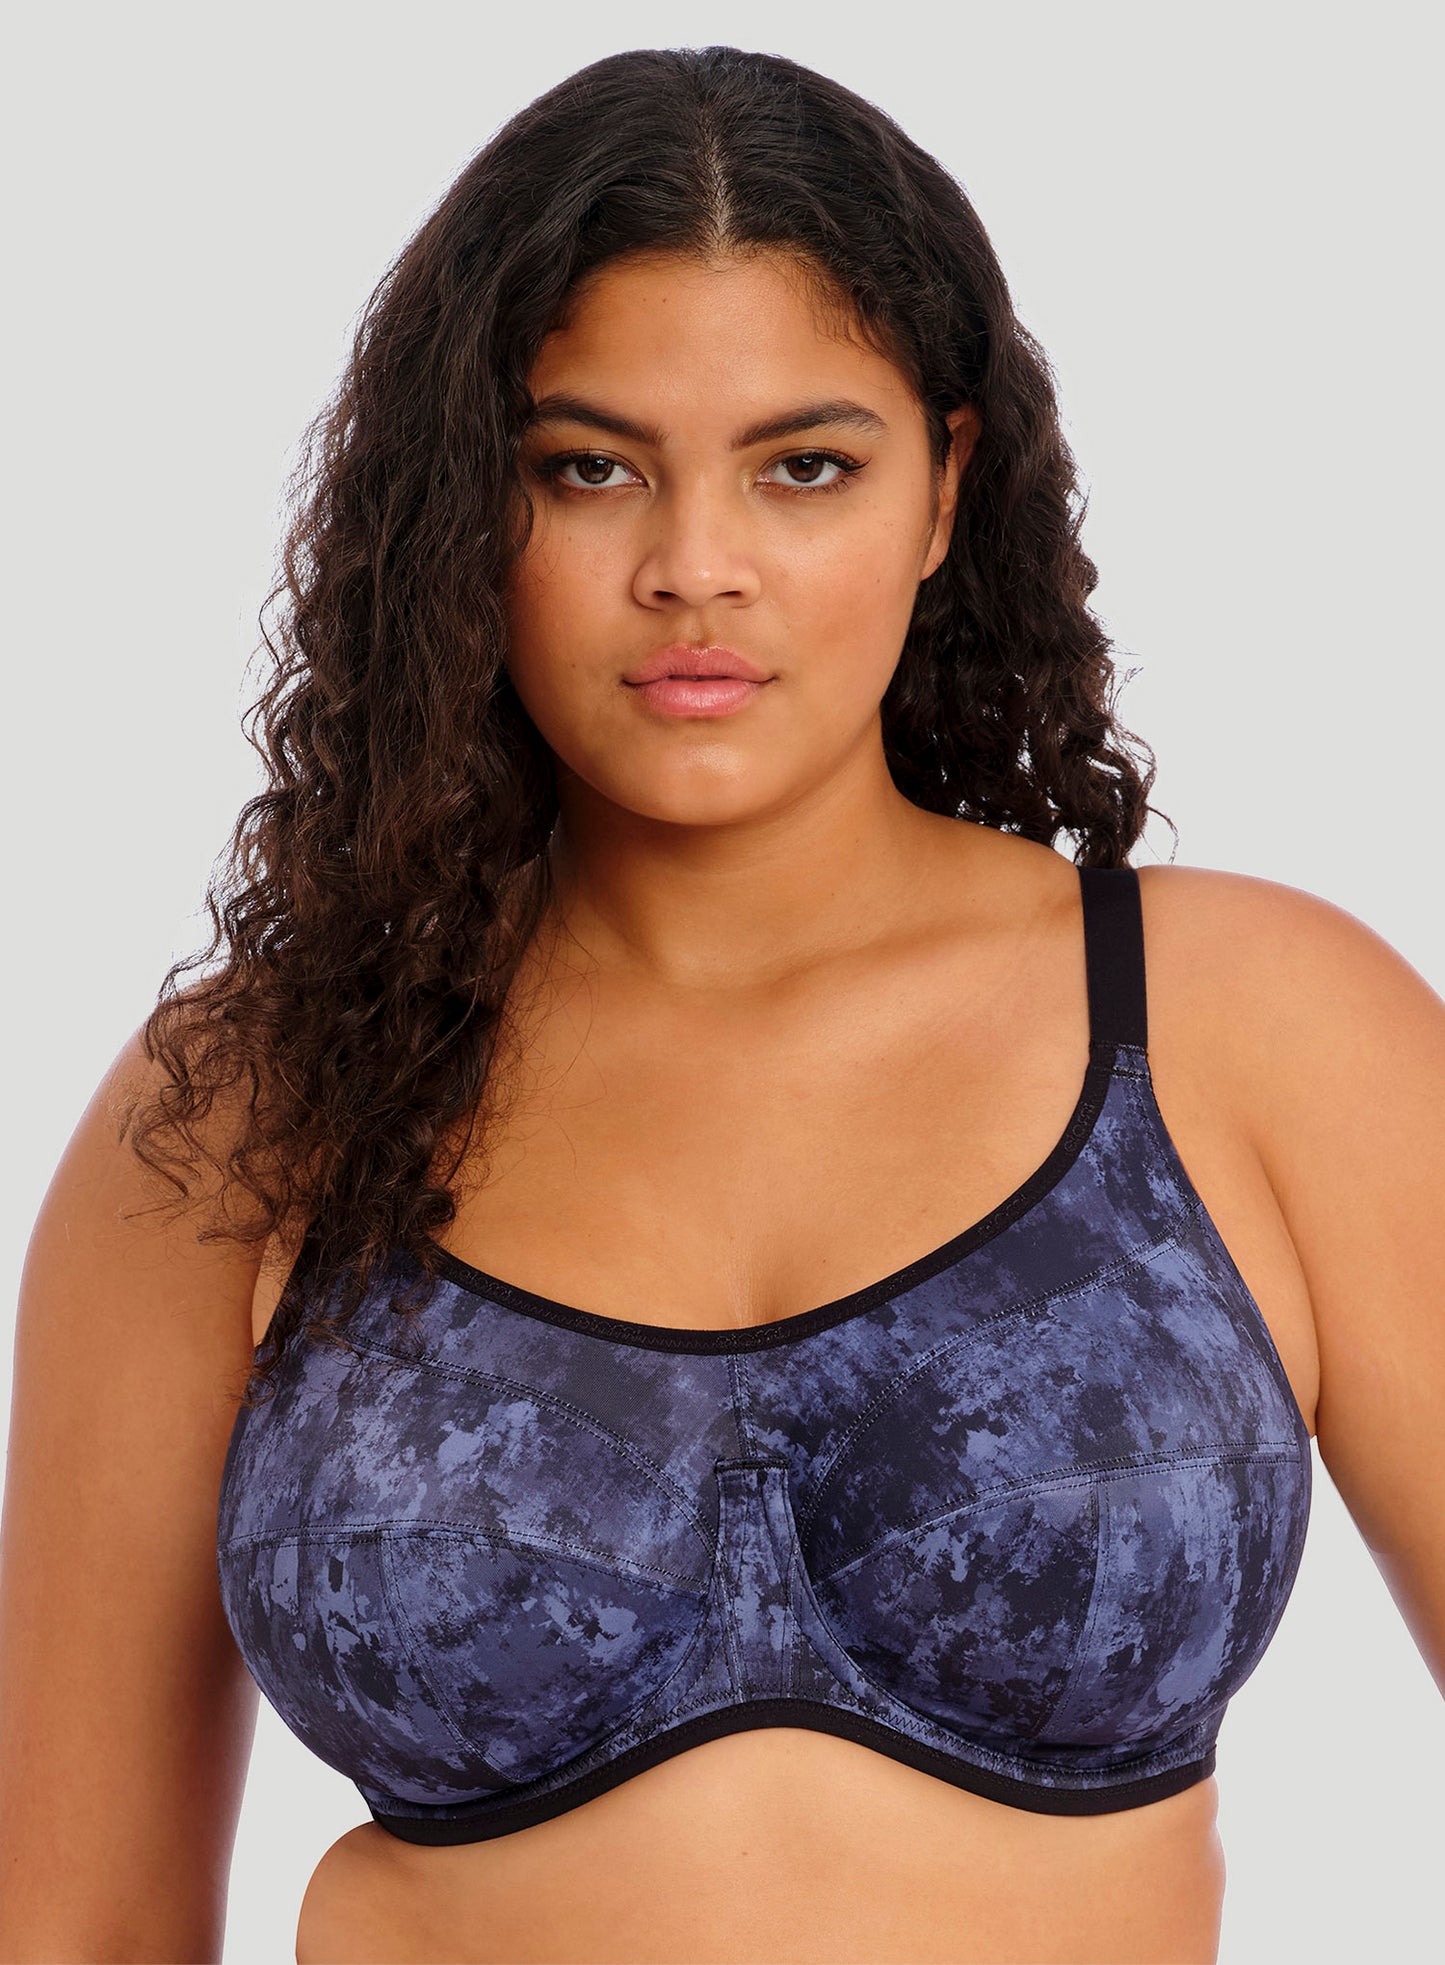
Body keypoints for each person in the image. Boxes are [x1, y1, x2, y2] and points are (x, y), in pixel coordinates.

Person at [1, 40, 1440, 1965]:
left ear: (945, 489)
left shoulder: (1253, 1028)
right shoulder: (251, 1103)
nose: (694, 569)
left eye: (803, 466)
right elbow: (78, 1924)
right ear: (464, 508)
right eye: (586, 469)